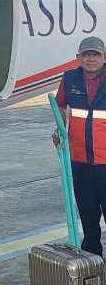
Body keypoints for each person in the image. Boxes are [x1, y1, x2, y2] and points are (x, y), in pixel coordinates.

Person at [54, 36, 106, 256]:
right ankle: (92, 260)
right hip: (80, 161)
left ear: (104, 56)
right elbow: (59, 105)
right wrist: (60, 130)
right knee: (87, 214)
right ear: (78, 57)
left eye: (96, 54)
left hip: (105, 162)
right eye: (86, 54)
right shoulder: (69, 79)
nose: (91, 59)